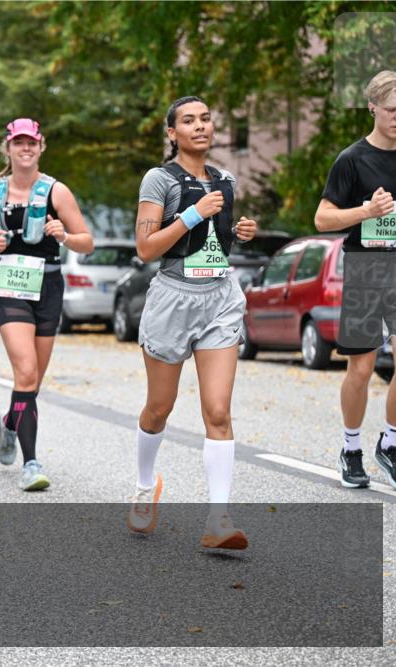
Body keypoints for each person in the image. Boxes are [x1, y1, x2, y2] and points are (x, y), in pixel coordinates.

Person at [128, 96, 258, 549]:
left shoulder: (225, 179)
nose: (200, 126)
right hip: (173, 300)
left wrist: (237, 232)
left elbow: (212, 244)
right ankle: (146, 485)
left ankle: (218, 520)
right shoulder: (159, 179)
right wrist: (189, 215)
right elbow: (146, 248)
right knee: (158, 409)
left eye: (206, 118)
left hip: (221, 298)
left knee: (218, 412)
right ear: (172, 133)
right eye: (188, 120)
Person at [0, 118, 93, 492]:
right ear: (7, 149)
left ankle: (10, 421)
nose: (25, 148)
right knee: (25, 372)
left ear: (41, 147)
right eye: (17, 142)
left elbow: (87, 241)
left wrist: (65, 235)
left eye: (31, 143)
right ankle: (32, 463)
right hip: (9, 284)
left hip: (48, 285)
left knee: (33, 380)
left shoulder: (57, 192)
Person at [314, 70, 396, 491]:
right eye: (392, 110)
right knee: (362, 367)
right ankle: (352, 449)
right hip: (366, 269)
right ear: (372, 108)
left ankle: (392, 443)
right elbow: (323, 217)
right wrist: (366, 212)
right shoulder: (352, 159)